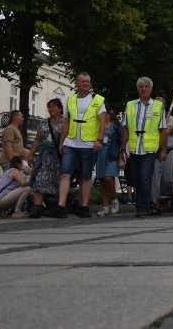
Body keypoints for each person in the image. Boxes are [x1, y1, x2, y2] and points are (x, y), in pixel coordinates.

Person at [45, 73, 106, 219]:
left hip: (88, 143)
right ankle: (61, 206)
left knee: (85, 176)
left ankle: (84, 206)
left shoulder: (98, 100)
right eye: (83, 81)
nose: (86, 83)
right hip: (71, 142)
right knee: (65, 173)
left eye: (88, 81)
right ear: (76, 84)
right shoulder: (71, 99)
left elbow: (102, 121)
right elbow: (66, 121)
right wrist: (62, 140)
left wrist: (99, 140)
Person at [121, 78, 168, 218]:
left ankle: (143, 207)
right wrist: (122, 148)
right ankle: (141, 203)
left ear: (151, 89)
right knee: (135, 178)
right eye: (141, 87)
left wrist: (163, 149)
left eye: (147, 86)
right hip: (134, 148)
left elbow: (163, 129)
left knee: (145, 178)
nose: (144, 89)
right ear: (137, 89)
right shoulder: (130, 105)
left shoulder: (158, 106)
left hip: (149, 149)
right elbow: (125, 128)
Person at [27, 98, 65, 218]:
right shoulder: (44, 122)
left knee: (58, 181)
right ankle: (37, 207)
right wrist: (31, 153)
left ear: (60, 109)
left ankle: (59, 207)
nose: (51, 109)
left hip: (58, 156)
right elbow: (38, 140)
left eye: (53, 106)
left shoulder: (65, 122)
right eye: (49, 107)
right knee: (39, 179)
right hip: (44, 157)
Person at [96, 105, 123, 216]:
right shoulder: (98, 125)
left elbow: (121, 141)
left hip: (112, 153)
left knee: (108, 178)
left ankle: (114, 200)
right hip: (100, 153)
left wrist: (121, 157)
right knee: (101, 181)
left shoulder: (116, 125)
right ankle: (105, 207)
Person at [152, 96, 173, 214]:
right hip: (155, 150)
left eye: (161, 105)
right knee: (155, 179)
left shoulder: (169, 117)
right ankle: (156, 204)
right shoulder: (150, 118)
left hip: (169, 149)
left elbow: (168, 131)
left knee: (167, 179)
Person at [0, 110, 25, 174]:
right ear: (15, 117)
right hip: (9, 162)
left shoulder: (15, 129)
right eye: (21, 117)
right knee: (11, 183)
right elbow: (8, 146)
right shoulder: (10, 129)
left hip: (13, 162)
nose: (23, 119)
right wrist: (14, 163)